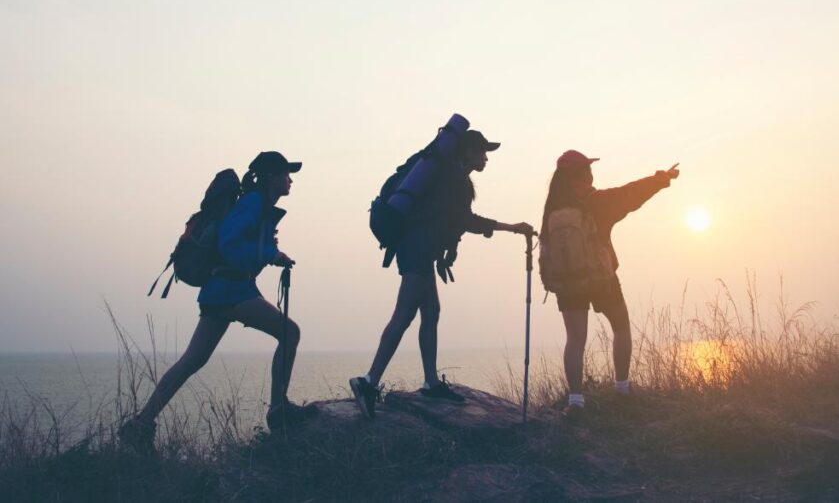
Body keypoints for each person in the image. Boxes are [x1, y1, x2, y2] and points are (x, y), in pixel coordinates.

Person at [119, 151, 314, 451]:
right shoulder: (253, 202)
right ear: (273, 176)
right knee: (290, 332)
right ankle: (278, 410)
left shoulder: (256, 203)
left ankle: (141, 423)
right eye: (287, 174)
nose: (291, 180)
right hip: (232, 288)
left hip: (219, 290)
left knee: (192, 361)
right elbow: (228, 241)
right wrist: (269, 255)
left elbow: (240, 242)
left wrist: (272, 253)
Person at [349, 130, 534, 418]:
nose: (486, 158)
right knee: (404, 315)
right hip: (418, 250)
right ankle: (368, 382)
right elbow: (465, 220)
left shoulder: (451, 177)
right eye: (483, 152)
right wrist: (511, 227)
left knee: (431, 312)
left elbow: (449, 222)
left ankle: (431, 382)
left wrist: (448, 251)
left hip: (417, 248)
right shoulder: (455, 180)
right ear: (468, 152)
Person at [540, 150, 678, 417]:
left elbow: (547, 250)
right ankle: (622, 389)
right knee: (621, 327)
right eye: (588, 170)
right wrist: (662, 178)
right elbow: (632, 193)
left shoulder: (552, 209)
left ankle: (576, 401)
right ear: (583, 175)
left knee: (575, 339)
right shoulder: (598, 202)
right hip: (601, 278)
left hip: (568, 284)